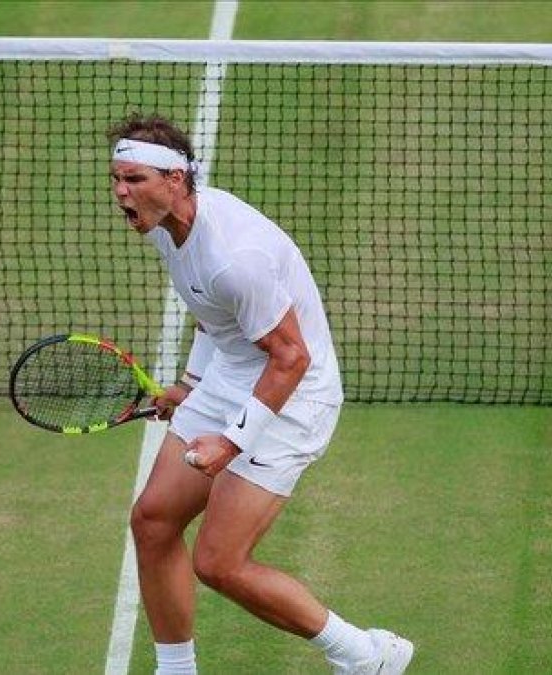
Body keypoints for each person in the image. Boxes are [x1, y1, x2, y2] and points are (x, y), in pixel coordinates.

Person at [108, 112, 414, 675]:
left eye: (134, 179)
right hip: (236, 372)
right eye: (116, 179)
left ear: (174, 180)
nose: (120, 192)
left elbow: (291, 357)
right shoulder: (167, 228)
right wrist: (192, 385)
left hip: (295, 397)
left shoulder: (234, 259)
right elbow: (215, 317)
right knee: (152, 521)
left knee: (219, 562)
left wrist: (230, 442)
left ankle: (366, 655)